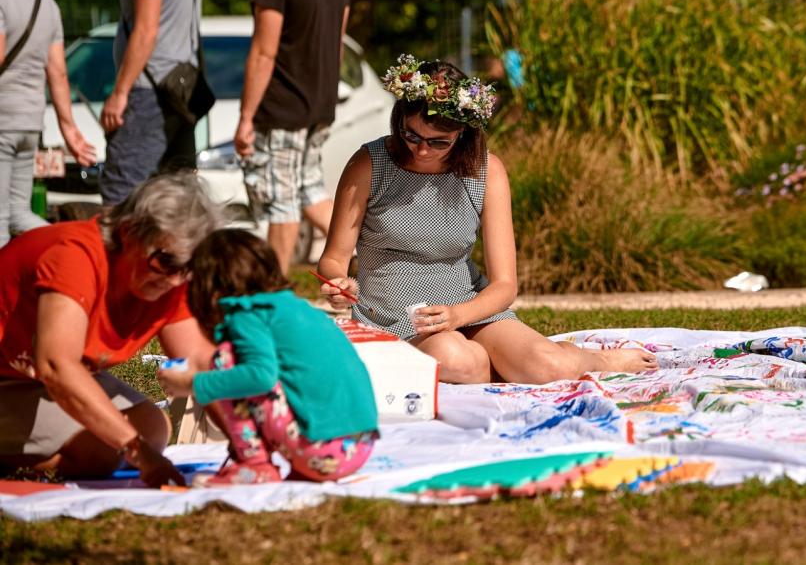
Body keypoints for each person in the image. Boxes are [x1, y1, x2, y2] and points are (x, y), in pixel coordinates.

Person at [318, 57, 657, 383]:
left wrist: (459, 315)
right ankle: (501, 365)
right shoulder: (370, 164)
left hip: (468, 308)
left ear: (463, 134)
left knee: (548, 365)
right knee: (458, 359)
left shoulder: (486, 171)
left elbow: (505, 285)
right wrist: (339, 284)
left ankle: (593, 360)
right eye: (412, 135)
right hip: (393, 315)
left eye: (438, 142)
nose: (422, 150)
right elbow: (334, 259)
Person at [0, 173, 222, 486]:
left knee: (152, 428)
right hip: (14, 376)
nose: (174, 280)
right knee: (107, 448)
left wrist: (250, 446)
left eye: (188, 267)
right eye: (165, 262)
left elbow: (199, 363)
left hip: (34, 377)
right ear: (129, 231)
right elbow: (57, 366)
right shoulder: (76, 255)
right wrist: (139, 454)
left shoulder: (170, 278)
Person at [157, 229, 378, 485]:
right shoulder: (294, 308)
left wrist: (191, 384)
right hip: (361, 444)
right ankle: (299, 464)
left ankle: (255, 465)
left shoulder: (248, 314)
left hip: (324, 451)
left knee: (226, 360)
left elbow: (260, 377)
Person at [234, 0, 351, 274]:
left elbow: (264, 52)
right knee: (309, 190)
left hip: (283, 107)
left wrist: (246, 116)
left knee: (282, 199)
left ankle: (275, 291)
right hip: (320, 105)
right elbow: (337, 45)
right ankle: (368, 257)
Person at [100, 0, 204, 206]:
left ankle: (117, 258)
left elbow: (146, 30)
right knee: (178, 194)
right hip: (184, 90)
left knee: (122, 190)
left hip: (150, 92)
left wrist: (119, 94)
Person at [0, 0, 96, 246]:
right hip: (29, 122)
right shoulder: (47, 2)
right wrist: (69, 129)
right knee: (18, 213)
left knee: (0, 222)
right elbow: (57, 71)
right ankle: (72, 243)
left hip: (2, 120)